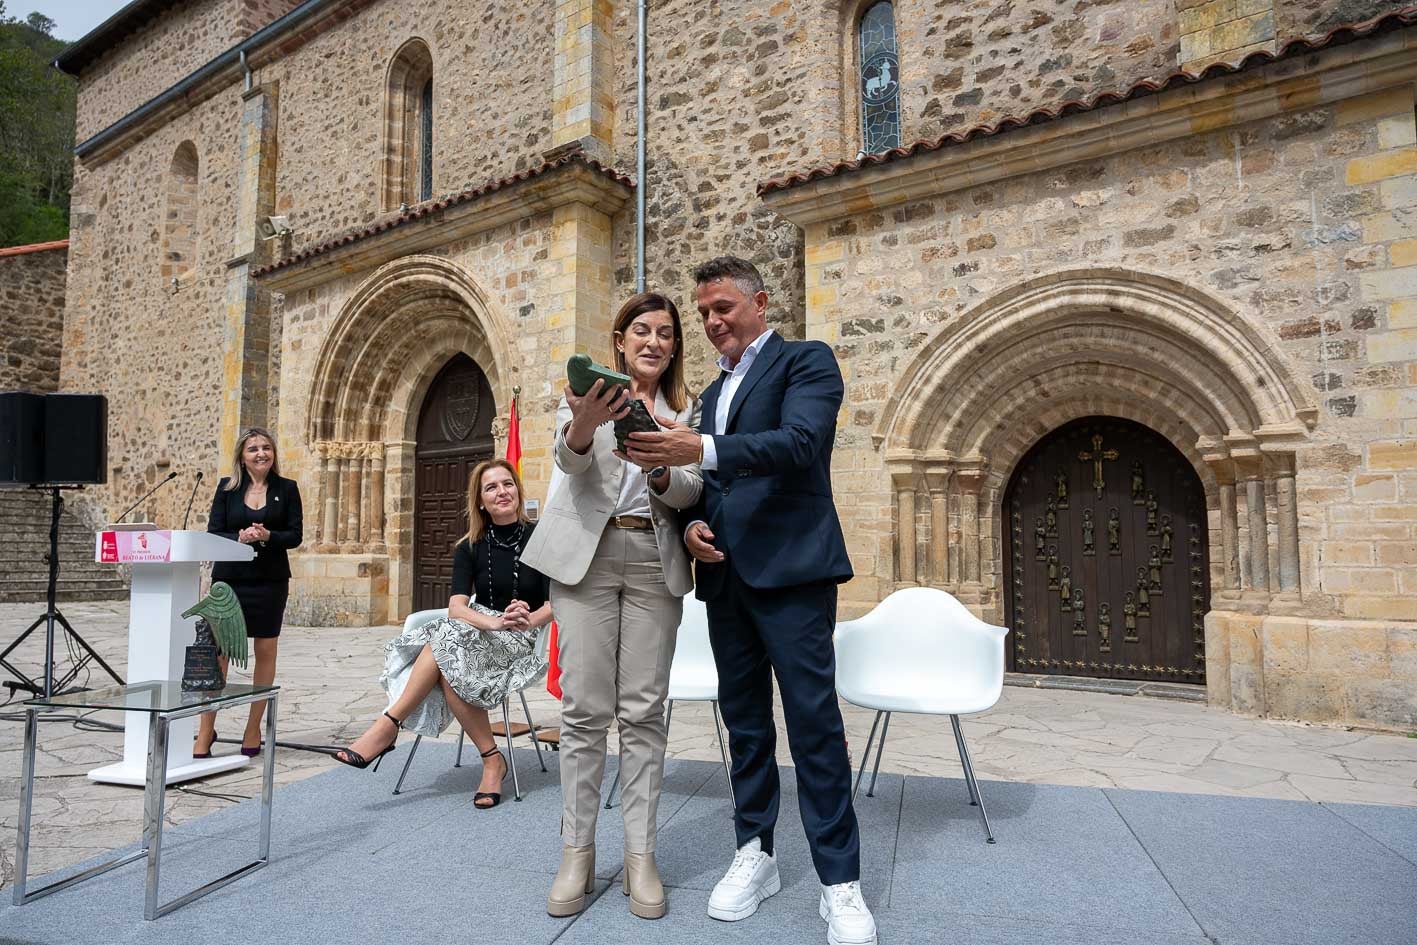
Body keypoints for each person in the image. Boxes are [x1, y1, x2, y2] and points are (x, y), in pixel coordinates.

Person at [624, 257, 876, 945]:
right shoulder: (711, 392)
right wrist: (694, 524)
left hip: (793, 573)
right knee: (744, 727)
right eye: (703, 313)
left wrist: (698, 447)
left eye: (723, 308)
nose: (710, 323)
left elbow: (799, 445)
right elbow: (716, 483)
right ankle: (755, 853)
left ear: (759, 302)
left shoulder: (805, 362)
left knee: (813, 725)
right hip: (726, 578)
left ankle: (839, 881)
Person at [520, 291, 703, 920]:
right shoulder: (588, 398)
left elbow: (693, 488)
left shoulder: (686, 410)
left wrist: (657, 466)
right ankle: (577, 852)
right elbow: (568, 468)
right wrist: (583, 426)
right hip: (586, 562)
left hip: (655, 560)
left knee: (644, 712)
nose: (654, 342)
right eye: (642, 331)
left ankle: (640, 856)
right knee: (584, 711)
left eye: (666, 334)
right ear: (620, 341)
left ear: (674, 347)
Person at [334, 459, 552, 809]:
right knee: (448, 649)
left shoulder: (541, 537)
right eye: (492, 487)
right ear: (480, 500)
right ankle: (492, 760)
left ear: (517, 489)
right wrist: (492, 622)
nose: (502, 492)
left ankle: (388, 725)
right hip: (480, 629)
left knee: (443, 646)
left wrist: (528, 620)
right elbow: (457, 607)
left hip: (521, 635)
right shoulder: (469, 546)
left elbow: (556, 602)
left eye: (507, 484)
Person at [195, 427, 303, 758]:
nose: (261, 453)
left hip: (270, 581)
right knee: (220, 654)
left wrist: (269, 535)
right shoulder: (227, 490)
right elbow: (214, 532)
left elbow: (295, 535)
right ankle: (205, 730)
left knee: (265, 649)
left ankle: (253, 726)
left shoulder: (287, 489)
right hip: (230, 581)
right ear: (242, 455)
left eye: (266, 448)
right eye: (253, 448)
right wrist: (237, 539)